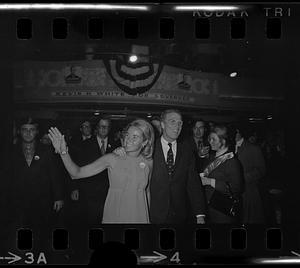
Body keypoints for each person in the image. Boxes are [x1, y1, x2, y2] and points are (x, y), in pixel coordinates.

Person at [48, 118, 154, 224]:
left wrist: (147, 217)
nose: (128, 139)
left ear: (145, 142)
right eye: (127, 135)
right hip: (116, 214)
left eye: (135, 137)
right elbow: (76, 173)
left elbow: (147, 192)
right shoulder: (112, 158)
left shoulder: (148, 162)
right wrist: (63, 151)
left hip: (139, 215)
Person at [12, 117, 64, 251]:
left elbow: (55, 175)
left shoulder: (46, 151)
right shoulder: (11, 151)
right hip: (19, 200)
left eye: (32, 130)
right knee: (21, 232)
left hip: (42, 200)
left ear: (36, 132)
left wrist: (58, 197)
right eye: (25, 130)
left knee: (42, 233)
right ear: (19, 131)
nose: (28, 133)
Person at [149, 109, 206, 224]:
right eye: (173, 122)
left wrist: (199, 214)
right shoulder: (149, 148)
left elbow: (193, 183)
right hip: (152, 213)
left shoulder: (187, 151)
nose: (177, 126)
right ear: (163, 124)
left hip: (179, 215)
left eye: (180, 123)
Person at [68, 117, 121, 226]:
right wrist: (74, 187)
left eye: (106, 126)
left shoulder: (116, 146)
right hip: (89, 191)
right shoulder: (85, 144)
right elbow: (77, 166)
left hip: (108, 191)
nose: (103, 129)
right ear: (96, 128)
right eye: (101, 126)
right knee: (89, 221)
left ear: (110, 129)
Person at [200, 124, 244, 223]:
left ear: (223, 141)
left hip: (222, 210)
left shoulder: (232, 161)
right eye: (209, 139)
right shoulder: (211, 157)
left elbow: (237, 188)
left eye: (214, 139)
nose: (210, 142)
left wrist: (210, 182)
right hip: (209, 206)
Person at [235, 125, 267, 224]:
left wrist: (244, 178)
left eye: (235, 132)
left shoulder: (253, 148)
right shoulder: (228, 147)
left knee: (250, 220)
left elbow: (261, 170)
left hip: (248, 191)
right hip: (233, 192)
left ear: (239, 132)